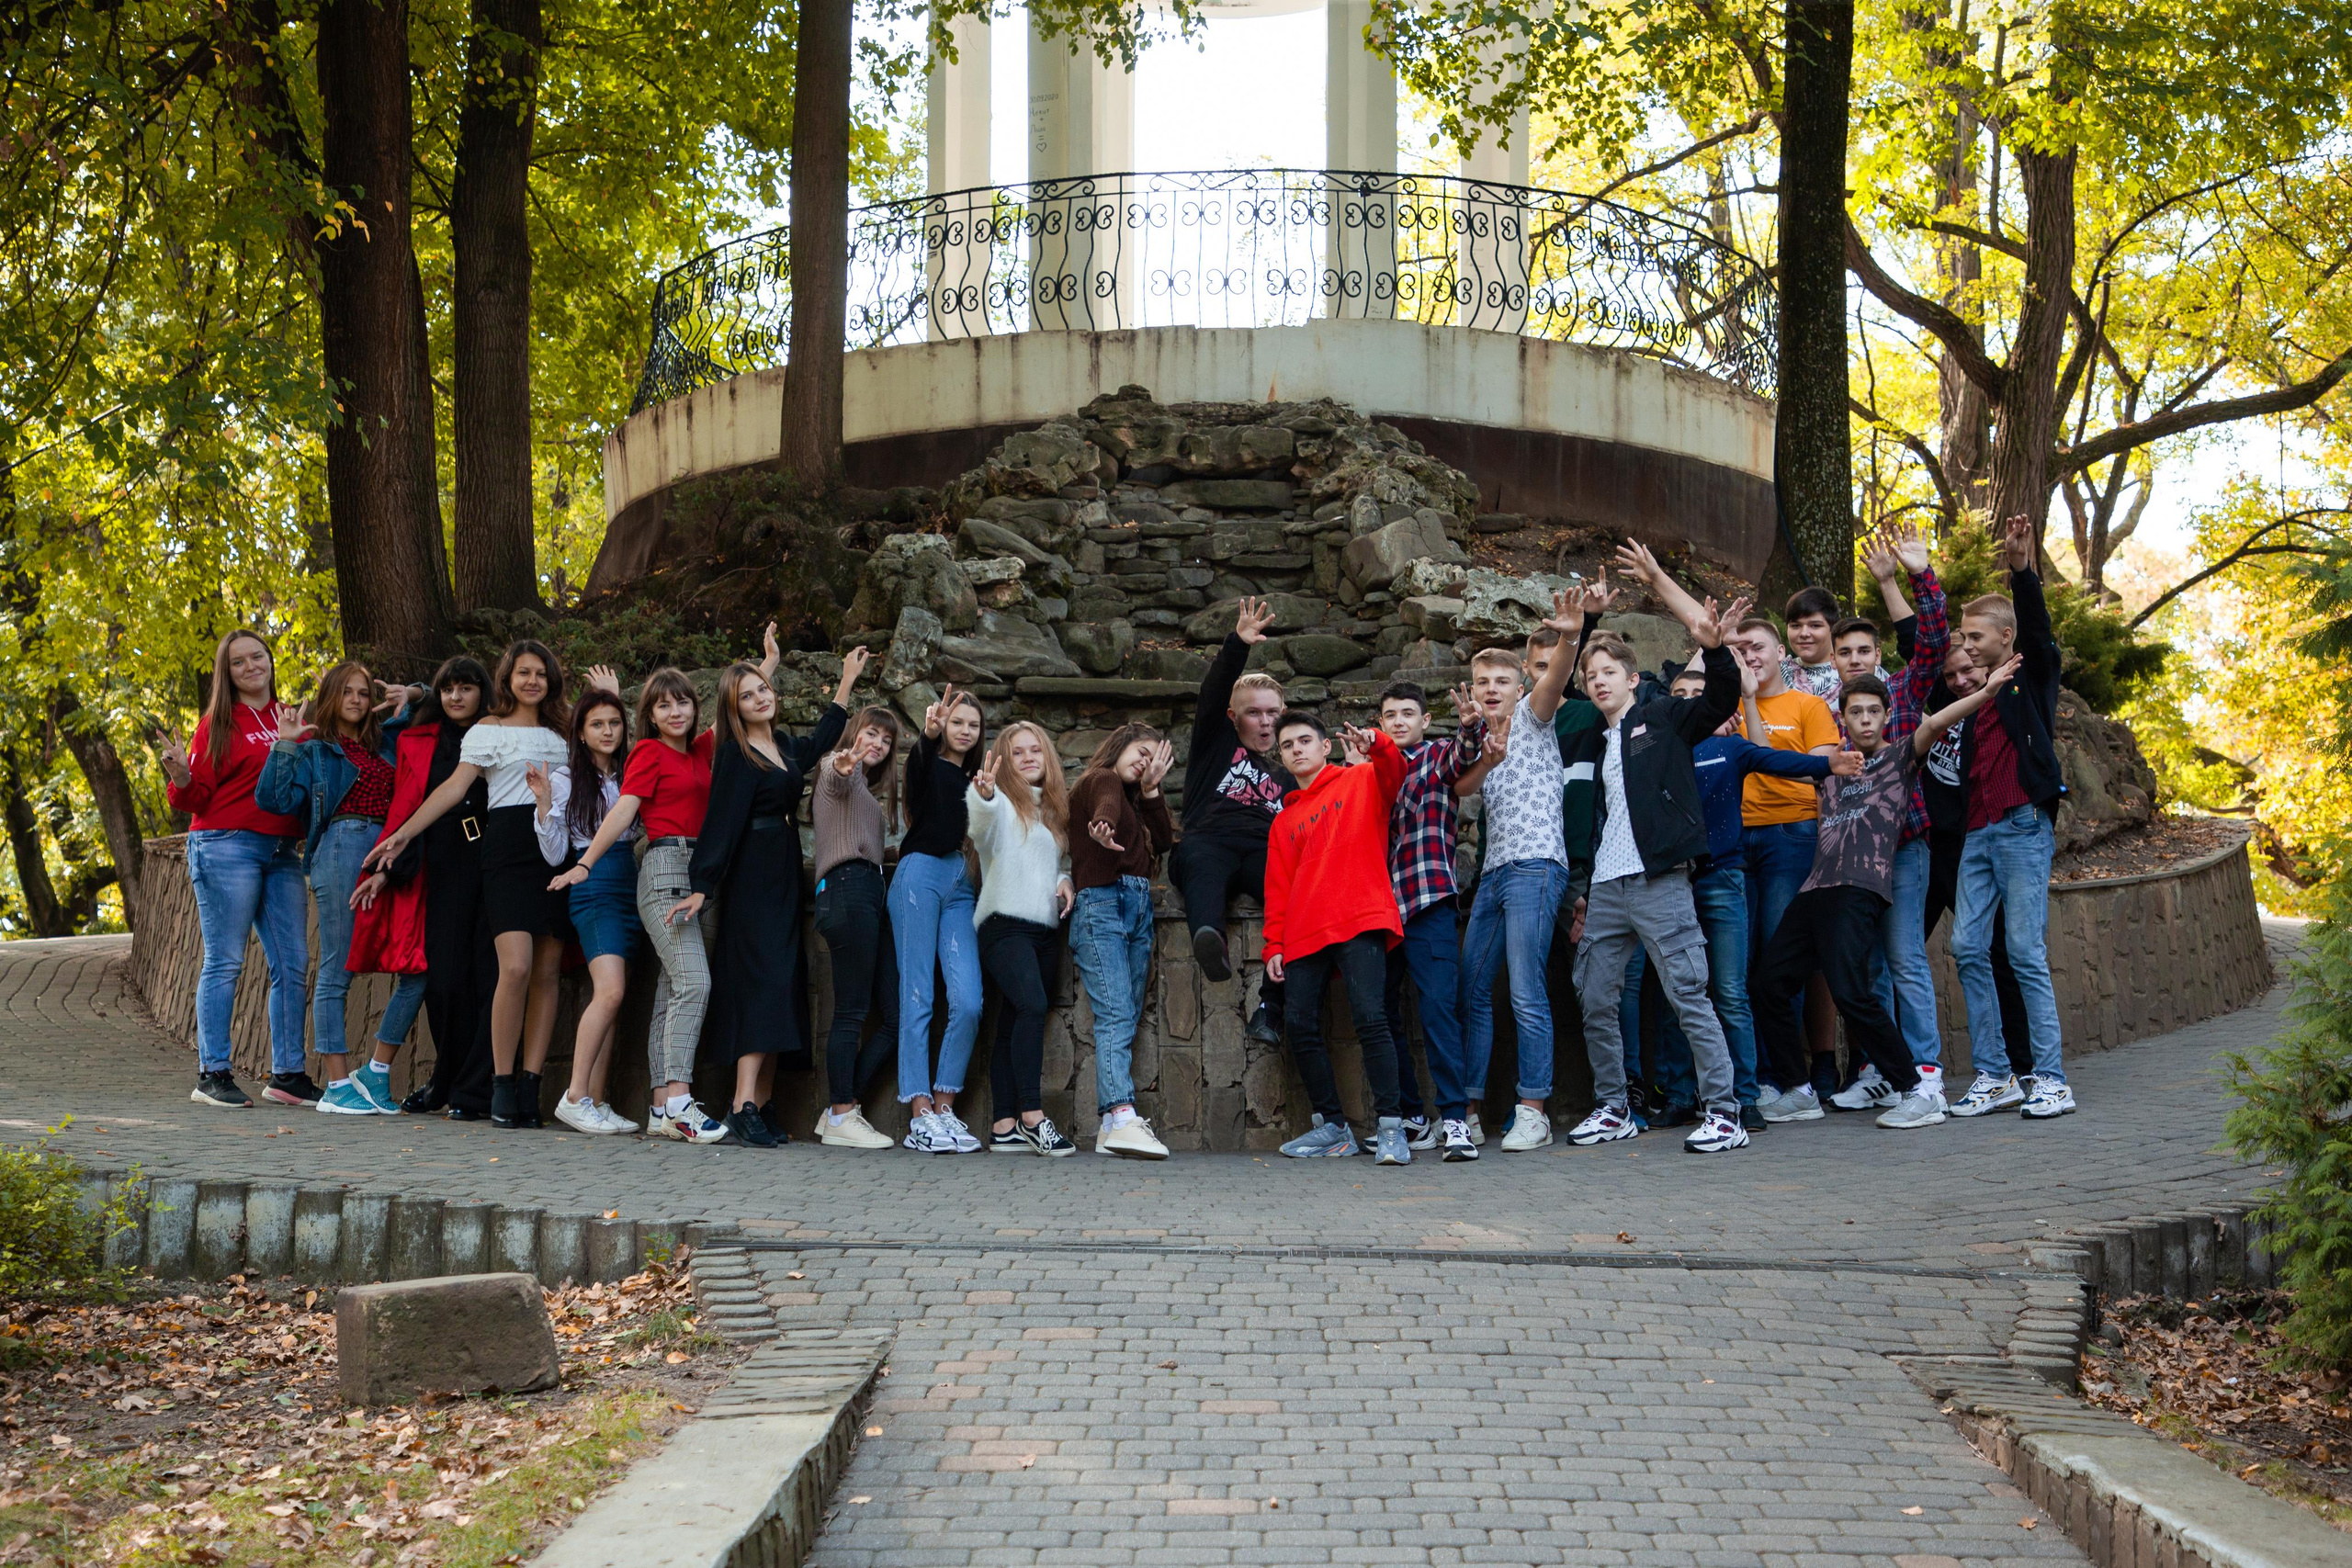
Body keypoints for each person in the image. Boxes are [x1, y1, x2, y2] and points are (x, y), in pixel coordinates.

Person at [558, 637, 831, 1144]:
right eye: (664, 705)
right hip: (666, 868)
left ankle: (662, 1105)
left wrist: (768, 662)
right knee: (695, 983)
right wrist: (586, 863)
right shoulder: (647, 752)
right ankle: (681, 1101)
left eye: (683, 701)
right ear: (651, 716)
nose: (676, 710)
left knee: (671, 989)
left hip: (704, 875)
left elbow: (742, 707)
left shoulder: (706, 749)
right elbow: (624, 809)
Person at [1751, 658, 2022, 1131]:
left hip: (1859, 889)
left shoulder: (1898, 759)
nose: (1865, 721)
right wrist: (1751, 698)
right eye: (1855, 712)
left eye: (1873, 712)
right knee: (1769, 983)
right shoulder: (1829, 766)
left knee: (1852, 991)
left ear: (1886, 714)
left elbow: (1937, 722)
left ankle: (1916, 1089)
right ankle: (1798, 1090)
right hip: (1815, 889)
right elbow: (1764, 755)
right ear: (1844, 718)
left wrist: (1987, 692)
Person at [1557, 543, 1753, 1155]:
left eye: (1608, 672)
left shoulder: (1663, 718)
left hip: (1659, 877)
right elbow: (1561, 678)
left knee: (1687, 991)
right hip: (1609, 887)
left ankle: (1725, 1112)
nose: (1596, 680)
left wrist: (1714, 646)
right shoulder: (1593, 730)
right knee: (1593, 993)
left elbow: (1721, 698)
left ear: (1633, 679)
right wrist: (1584, 624)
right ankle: (1613, 1106)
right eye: (1592, 677)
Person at [365, 641, 571, 1130]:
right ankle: (497, 1085)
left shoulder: (563, 732)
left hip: (555, 849)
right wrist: (402, 834)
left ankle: (528, 1087)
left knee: (546, 972)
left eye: (541, 673)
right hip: (503, 851)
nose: (532, 681)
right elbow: (454, 788)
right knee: (515, 968)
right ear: (508, 678)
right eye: (523, 672)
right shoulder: (488, 729)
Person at [1648, 653, 1856, 1126]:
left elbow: (1778, 761)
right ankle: (1681, 1093)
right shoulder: (1663, 751)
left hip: (1724, 879)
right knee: (1677, 993)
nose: (1686, 702)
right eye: (1676, 696)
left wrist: (1828, 765)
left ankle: (1744, 1097)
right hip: (1674, 884)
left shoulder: (1734, 748)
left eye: (1696, 696)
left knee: (1731, 990)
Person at [680, 660, 852, 1147]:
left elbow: (821, 741)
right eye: (749, 695)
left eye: (764, 689)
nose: (761, 698)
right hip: (752, 878)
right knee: (762, 984)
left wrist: (845, 683)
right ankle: (741, 1105)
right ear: (734, 708)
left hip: (782, 874)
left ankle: (765, 1100)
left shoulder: (782, 747)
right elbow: (722, 821)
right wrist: (702, 884)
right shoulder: (735, 755)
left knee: (784, 985)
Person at [1947, 513, 2075, 1119]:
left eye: (1975, 635)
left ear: (2003, 634)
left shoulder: (2030, 677)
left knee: (2023, 950)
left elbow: (2042, 633)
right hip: (1979, 833)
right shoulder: (1977, 695)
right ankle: (1996, 1074)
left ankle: (2049, 1077)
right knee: (1968, 945)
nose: (1966, 644)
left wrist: (2022, 569)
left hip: (2023, 826)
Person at [1456, 586, 1591, 1153]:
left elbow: (1557, 676)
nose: (1492, 690)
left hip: (1536, 867)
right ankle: (1464, 1109)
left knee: (1527, 989)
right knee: (1472, 987)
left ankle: (1532, 1108)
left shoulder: (1536, 717)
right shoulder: (1477, 739)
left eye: (1501, 682)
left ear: (1519, 688)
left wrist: (1569, 635)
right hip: (1492, 874)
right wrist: (1478, 748)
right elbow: (1462, 790)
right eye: (1482, 682)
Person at [1824, 528, 1953, 1112]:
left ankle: (1925, 1072)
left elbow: (1933, 641)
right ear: (1833, 659)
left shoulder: (1901, 693)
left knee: (1903, 958)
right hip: (1850, 861)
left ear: (1877, 656)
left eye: (1863, 651)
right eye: (1844, 652)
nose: (1854, 660)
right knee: (1869, 966)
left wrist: (1913, 577)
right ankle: (1880, 1067)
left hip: (1903, 850)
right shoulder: (1824, 715)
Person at [160, 629, 312, 1110]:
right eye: (238, 662)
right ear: (226, 674)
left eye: (258, 657)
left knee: (292, 963)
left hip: (283, 851)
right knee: (225, 961)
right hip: (226, 846)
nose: (251, 667)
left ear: (270, 660)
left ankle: (288, 1075)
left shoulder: (290, 716)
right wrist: (181, 777)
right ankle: (212, 1073)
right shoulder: (217, 724)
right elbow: (197, 796)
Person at [255, 659, 412, 1114]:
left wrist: (412, 696)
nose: (358, 700)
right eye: (348, 692)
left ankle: (374, 1075)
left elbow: (434, 709)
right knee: (337, 967)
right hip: (342, 846)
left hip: (390, 851)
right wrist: (284, 746)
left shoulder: (385, 743)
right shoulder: (315, 750)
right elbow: (273, 800)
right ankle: (338, 1083)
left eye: (364, 693)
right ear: (331, 697)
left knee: (414, 965)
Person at [349, 657, 495, 1119]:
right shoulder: (419, 739)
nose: (456, 696)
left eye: (466, 688)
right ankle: (446, 1078)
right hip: (441, 862)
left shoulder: (500, 732)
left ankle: (478, 1087)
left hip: (494, 859)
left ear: (482, 692)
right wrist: (387, 869)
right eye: (447, 688)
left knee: (487, 978)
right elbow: (407, 806)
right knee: (444, 982)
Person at [1263, 712, 1411, 1163]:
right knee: (1299, 1025)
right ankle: (1332, 1128)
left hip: (1360, 917)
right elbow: (1278, 888)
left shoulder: (1362, 778)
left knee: (1372, 1018)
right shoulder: (1284, 821)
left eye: (1305, 741)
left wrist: (1379, 743)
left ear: (1325, 746)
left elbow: (1397, 772)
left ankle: (1392, 1127)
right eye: (1287, 745)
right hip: (1304, 931)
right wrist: (1274, 945)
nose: (1297, 750)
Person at [1728, 613, 1843, 1100]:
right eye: (1741, 651)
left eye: (1757, 648)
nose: (1751, 657)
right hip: (1736, 837)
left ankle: (1785, 1075)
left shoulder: (1808, 705)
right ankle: (1756, 1077)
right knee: (1743, 962)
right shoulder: (1726, 705)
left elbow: (1818, 773)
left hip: (1790, 835)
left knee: (1781, 958)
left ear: (1781, 654)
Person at [1169, 596, 1292, 1044]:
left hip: (1264, 849)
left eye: (1272, 713)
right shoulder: (1215, 746)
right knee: (1201, 862)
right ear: (1233, 718)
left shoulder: (1290, 773)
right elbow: (1214, 690)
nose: (1264, 721)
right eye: (1254, 712)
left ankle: (1271, 1007)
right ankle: (1209, 937)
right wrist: (1237, 646)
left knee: (1295, 892)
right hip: (1209, 839)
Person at [1913, 643, 2036, 1082]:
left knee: (2002, 954)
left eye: (1968, 670)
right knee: (1899, 953)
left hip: (1978, 849)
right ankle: (1882, 1070)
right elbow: (1918, 638)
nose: (1961, 680)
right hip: (1929, 854)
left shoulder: (2003, 704)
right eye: (1951, 676)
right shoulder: (1940, 706)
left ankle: (2023, 1067)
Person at [1375, 682, 1486, 1161]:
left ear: (1423, 721)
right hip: (1379, 912)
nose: (1398, 721)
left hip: (1428, 901)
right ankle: (1412, 1116)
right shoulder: (1371, 770)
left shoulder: (1436, 754)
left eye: (1407, 713)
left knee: (1439, 1010)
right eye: (1390, 715)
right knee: (1379, 1014)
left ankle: (1455, 1120)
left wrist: (1469, 726)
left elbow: (1461, 759)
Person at [530, 685, 641, 1135]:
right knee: (610, 991)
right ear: (580, 731)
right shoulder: (563, 779)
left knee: (612, 999)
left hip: (631, 883)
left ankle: (596, 1099)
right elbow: (556, 853)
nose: (607, 731)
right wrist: (541, 805)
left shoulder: (630, 771)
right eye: (597, 724)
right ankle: (575, 1096)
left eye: (614, 723)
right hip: (592, 885)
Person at [967, 721, 1079, 1156]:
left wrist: (1065, 878)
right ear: (1005, 761)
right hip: (1004, 925)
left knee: (1015, 1018)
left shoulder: (1051, 813)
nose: (1029, 757)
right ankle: (1033, 1116)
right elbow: (983, 829)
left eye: (1036, 750)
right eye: (1018, 752)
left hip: (1044, 931)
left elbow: (1047, 866)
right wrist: (985, 794)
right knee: (1031, 1005)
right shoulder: (1001, 806)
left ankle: (1004, 1126)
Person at [1067, 724, 1177, 1159]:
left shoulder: (1136, 800)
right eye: (1141, 751)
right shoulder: (1103, 780)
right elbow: (1105, 807)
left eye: (1154, 757)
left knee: (1124, 1014)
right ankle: (1123, 1112)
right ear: (1119, 744)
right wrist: (1102, 827)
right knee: (1115, 1012)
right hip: (1102, 906)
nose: (1145, 761)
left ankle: (1111, 1127)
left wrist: (1151, 793)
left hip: (1134, 907)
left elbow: (1165, 841)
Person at [891, 683, 989, 1154]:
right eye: (958, 723)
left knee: (968, 1000)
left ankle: (946, 1106)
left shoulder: (977, 781)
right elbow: (918, 772)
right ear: (943, 724)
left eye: (973, 725)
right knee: (918, 995)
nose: (966, 731)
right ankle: (919, 1114)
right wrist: (927, 736)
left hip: (958, 880)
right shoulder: (928, 764)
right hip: (920, 874)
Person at [810, 706, 903, 1150]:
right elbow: (834, 773)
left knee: (896, 1016)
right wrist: (843, 763)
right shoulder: (838, 772)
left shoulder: (867, 791)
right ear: (854, 733)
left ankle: (840, 1109)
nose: (878, 744)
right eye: (872, 733)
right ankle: (842, 1111)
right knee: (851, 1011)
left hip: (868, 893)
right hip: (847, 888)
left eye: (886, 740)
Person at [1779, 585, 1846, 702]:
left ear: (1833, 629)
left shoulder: (1855, 668)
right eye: (1795, 626)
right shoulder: (1776, 673)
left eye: (1815, 626)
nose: (1804, 634)